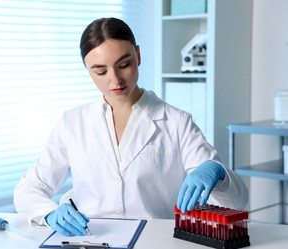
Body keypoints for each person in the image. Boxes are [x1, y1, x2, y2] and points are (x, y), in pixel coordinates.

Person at [13, 17, 248, 236]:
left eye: (124, 64)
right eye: (100, 71)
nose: (115, 80)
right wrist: (50, 213)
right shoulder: (72, 123)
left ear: (138, 55)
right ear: (87, 68)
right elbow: (28, 190)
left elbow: (236, 202)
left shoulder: (176, 122)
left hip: (157, 245)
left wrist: (217, 173)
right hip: (92, 242)